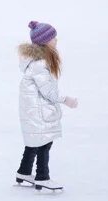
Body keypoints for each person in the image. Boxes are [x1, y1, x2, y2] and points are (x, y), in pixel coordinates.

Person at [16, 21, 78, 192]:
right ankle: (42, 176)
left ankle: (24, 172)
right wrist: (66, 100)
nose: (56, 40)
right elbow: (48, 92)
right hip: (38, 111)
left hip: (35, 109)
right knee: (44, 142)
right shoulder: (40, 64)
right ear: (44, 42)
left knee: (35, 141)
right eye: (52, 38)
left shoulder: (36, 62)